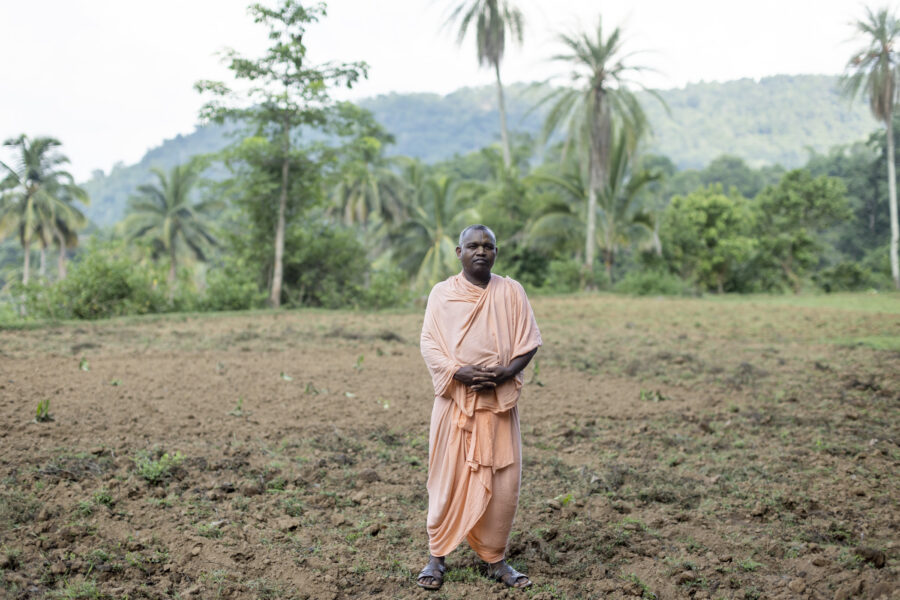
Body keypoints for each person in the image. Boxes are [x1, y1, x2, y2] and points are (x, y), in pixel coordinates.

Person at [417, 224, 541, 591]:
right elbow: (429, 343)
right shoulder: (442, 294)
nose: (481, 251)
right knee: (447, 479)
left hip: (498, 406)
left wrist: (506, 372)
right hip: (456, 403)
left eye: (488, 246)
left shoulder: (512, 291)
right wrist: (459, 371)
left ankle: (495, 559)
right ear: (459, 252)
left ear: (496, 253)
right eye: (473, 245)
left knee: (503, 484)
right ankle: (436, 557)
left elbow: (529, 340)